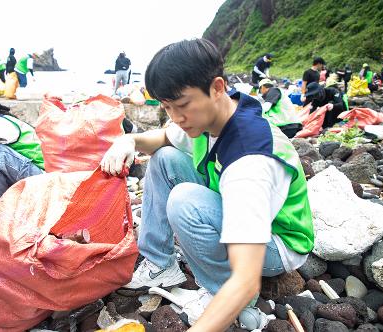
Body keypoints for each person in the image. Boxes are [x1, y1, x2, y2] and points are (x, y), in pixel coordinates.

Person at [100, 39, 314, 331]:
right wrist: (130, 140)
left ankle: (219, 294)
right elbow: (164, 138)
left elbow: (246, 277)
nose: (176, 118)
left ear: (216, 88)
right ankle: (161, 265)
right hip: (235, 205)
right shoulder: (215, 114)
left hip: (278, 241)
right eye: (167, 107)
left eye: (183, 105)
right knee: (164, 158)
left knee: (184, 202)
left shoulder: (248, 162)